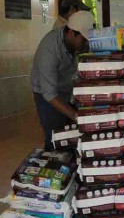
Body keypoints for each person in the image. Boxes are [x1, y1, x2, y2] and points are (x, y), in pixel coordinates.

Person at [31, 11, 95, 149]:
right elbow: (49, 94)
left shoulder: (76, 44)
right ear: (72, 33)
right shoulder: (49, 50)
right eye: (83, 40)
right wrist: (76, 116)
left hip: (67, 90)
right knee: (55, 136)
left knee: (73, 137)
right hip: (47, 96)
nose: (86, 44)